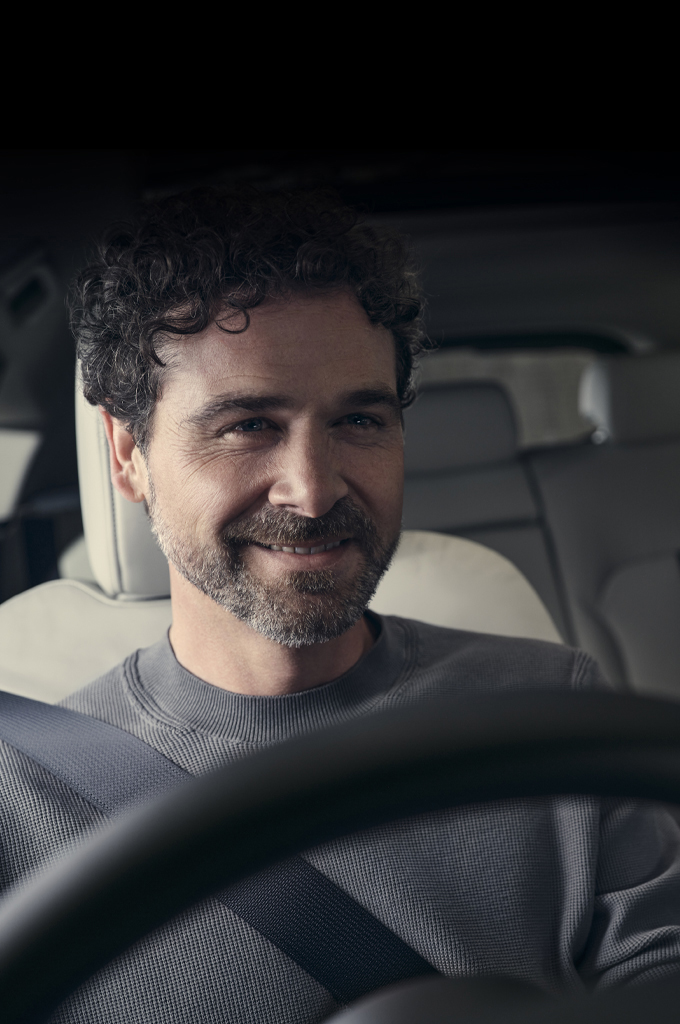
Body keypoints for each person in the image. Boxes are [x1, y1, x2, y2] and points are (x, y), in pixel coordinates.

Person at [2, 187, 680, 1023]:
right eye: (248, 425)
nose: (314, 491)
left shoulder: (553, 713)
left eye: (359, 419)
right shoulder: (21, 796)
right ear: (128, 455)